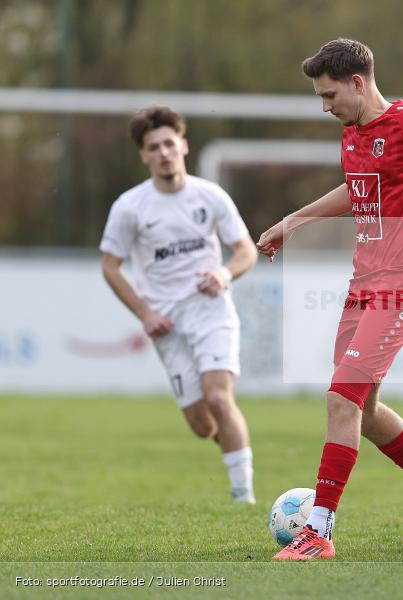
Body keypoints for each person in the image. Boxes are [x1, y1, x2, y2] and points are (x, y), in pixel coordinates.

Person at [256, 38, 403, 561]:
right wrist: (293, 222)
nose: (325, 105)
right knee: (363, 407)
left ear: (359, 82)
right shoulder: (354, 132)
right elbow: (356, 190)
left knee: (341, 399)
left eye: (330, 94)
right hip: (365, 286)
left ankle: (318, 530)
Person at [100, 105, 259, 504]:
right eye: (154, 147)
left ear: (183, 145)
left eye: (169, 143)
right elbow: (110, 266)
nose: (163, 152)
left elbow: (245, 251)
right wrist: (145, 314)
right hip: (165, 323)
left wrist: (223, 275)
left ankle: (244, 497)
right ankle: (229, 441)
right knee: (202, 424)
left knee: (220, 398)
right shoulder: (130, 207)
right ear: (144, 155)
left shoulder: (210, 196)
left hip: (210, 310)